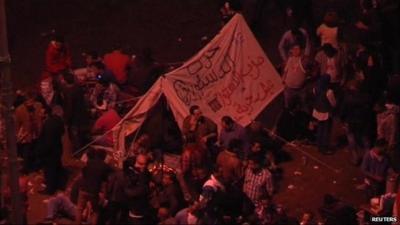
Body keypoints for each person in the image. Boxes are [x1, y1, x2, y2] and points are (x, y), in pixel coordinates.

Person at [75, 149, 112, 225]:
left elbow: (83, 174)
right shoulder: (105, 166)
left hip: (83, 189)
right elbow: (105, 181)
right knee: (95, 211)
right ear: (104, 156)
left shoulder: (89, 162)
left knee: (79, 209)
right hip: (94, 192)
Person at [340, 80, 372, 165]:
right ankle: (367, 160)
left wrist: (343, 120)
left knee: (351, 138)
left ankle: (355, 158)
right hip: (363, 122)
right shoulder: (366, 98)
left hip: (351, 121)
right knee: (365, 140)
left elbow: (343, 111)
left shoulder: (348, 99)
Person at [15, 90, 45, 172]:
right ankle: (26, 169)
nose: (30, 103)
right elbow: (17, 125)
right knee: (27, 153)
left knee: (37, 152)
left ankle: (36, 168)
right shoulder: (19, 110)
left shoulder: (38, 106)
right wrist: (19, 136)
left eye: (31, 101)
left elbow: (41, 118)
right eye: (27, 101)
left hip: (38, 133)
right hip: (27, 135)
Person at [38, 106, 65, 195]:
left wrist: (43, 151)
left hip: (50, 150)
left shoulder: (49, 123)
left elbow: (47, 140)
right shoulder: (60, 122)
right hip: (58, 148)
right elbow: (62, 132)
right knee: (57, 167)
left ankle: (50, 189)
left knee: (50, 170)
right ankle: (60, 185)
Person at [61, 72, 90, 150]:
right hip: (82, 114)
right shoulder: (77, 88)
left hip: (74, 118)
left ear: (65, 81)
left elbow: (69, 108)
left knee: (75, 136)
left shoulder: (69, 93)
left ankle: (78, 150)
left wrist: (66, 120)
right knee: (81, 134)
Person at [281, 43, 312, 110]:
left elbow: (313, 67)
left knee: (304, 105)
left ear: (301, 50)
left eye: (297, 49)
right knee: (288, 106)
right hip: (289, 89)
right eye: (293, 49)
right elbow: (285, 71)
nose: (295, 50)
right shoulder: (289, 60)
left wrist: (309, 77)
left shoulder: (304, 60)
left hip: (301, 89)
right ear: (291, 51)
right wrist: (283, 80)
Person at [124, 154, 152, 224]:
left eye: (145, 164)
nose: (143, 167)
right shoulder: (129, 174)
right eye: (141, 164)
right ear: (136, 162)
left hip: (143, 209)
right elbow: (135, 192)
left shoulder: (145, 173)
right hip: (135, 210)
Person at [312, 75, 336, 154]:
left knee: (320, 129)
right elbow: (333, 103)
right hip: (325, 112)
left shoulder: (315, 88)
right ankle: (324, 148)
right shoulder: (329, 92)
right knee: (326, 130)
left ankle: (319, 145)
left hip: (318, 110)